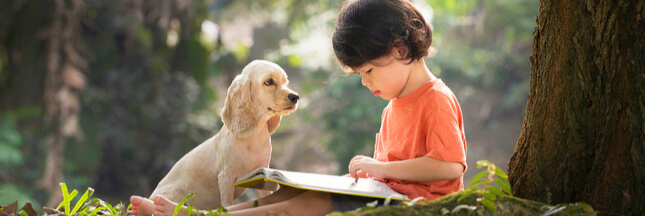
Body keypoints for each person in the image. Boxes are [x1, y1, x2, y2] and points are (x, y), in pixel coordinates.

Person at [129, 0, 467, 215]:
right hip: (382, 195)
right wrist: (374, 171)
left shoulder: (435, 99)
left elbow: (450, 167)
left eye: (368, 71)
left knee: (307, 205)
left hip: (419, 207)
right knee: (284, 194)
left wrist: (380, 170)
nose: (366, 83)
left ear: (398, 48)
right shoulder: (392, 107)